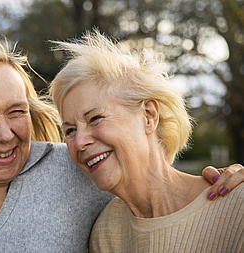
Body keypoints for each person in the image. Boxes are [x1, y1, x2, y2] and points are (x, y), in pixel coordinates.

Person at [0, 36, 242, 252]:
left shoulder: (78, 166)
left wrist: (231, 181)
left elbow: (149, 179)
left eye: (16, 111)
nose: (4, 134)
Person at [50, 30, 244, 252]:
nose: (79, 142)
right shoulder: (105, 234)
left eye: (95, 118)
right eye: (70, 130)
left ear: (149, 116)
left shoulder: (237, 207)